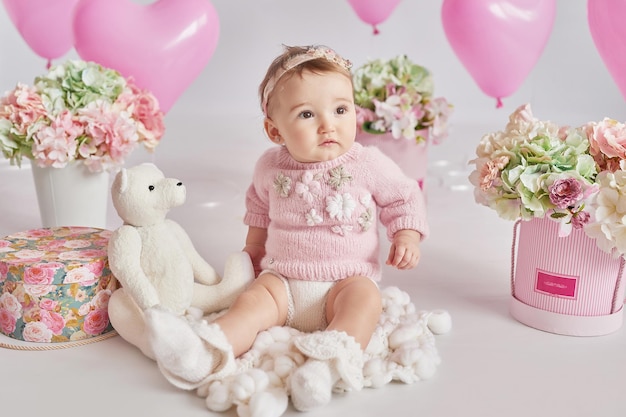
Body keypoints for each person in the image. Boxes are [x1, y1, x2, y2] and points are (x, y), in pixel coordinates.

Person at [144, 44, 429, 411]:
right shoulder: (269, 167)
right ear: (274, 129)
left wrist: (405, 234)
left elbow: (403, 196)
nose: (329, 124)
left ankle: (325, 368)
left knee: (365, 302)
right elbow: (260, 211)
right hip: (284, 283)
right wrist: (253, 252)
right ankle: (204, 352)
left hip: (346, 281)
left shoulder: (368, 163)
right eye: (307, 114)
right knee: (249, 304)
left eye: (341, 109)